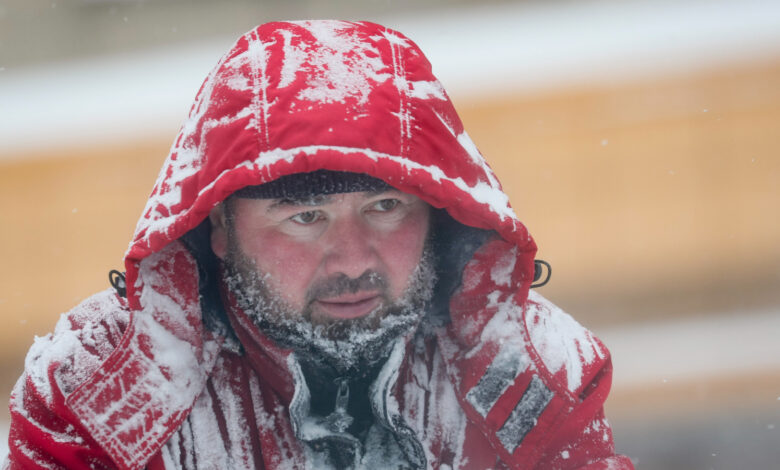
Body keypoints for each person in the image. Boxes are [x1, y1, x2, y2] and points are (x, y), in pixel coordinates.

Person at [4, 20, 634, 470]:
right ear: (218, 228)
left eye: (386, 208)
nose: (354, 259)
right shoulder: (95, 391)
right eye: (304, 217)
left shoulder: (530, 369)